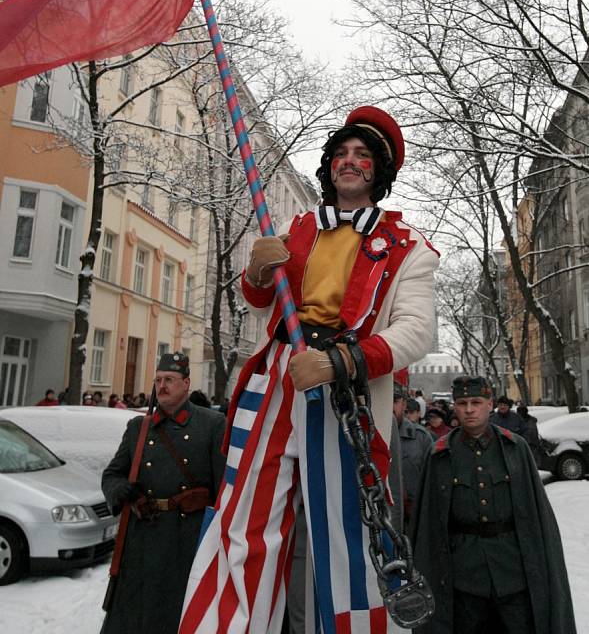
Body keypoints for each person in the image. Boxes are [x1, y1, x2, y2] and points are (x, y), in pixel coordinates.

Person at [181, 106, 439, 634]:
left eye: (362, 155)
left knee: (349, 535)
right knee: (246, 520)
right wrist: (255, 270)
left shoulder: (410, 248)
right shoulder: (298, 229)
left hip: (346, 390)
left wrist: (339, 361)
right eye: (341, 153)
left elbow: (416, 332)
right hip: (279, 378)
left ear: (379, 171)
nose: (349, 162)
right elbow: (260, 302)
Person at [410, 375, 577, 634]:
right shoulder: (440, 454)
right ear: (454, 406)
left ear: (489, 404)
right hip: (465, 577)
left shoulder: (514, 448)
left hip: (512, 573)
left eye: (476, 401)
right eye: (462, 402)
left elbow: (535, 514)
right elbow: (429, 524)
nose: (469, 409)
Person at [101, 352, 226, 634]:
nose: (162, 386)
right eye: (158, 380)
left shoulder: (212, 425)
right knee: (136, 615)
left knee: (178, 614)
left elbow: (223, 491)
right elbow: (111, 475)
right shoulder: (138, 427)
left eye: (169, 379)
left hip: (186, 540)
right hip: (143, 537)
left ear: (186, 384)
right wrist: (122, 491)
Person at [391, 385, 432, 527]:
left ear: (404, 404)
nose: (389, 407)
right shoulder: (365, 438)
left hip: (415, 521)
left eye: (394, 401)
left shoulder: (421, 438)